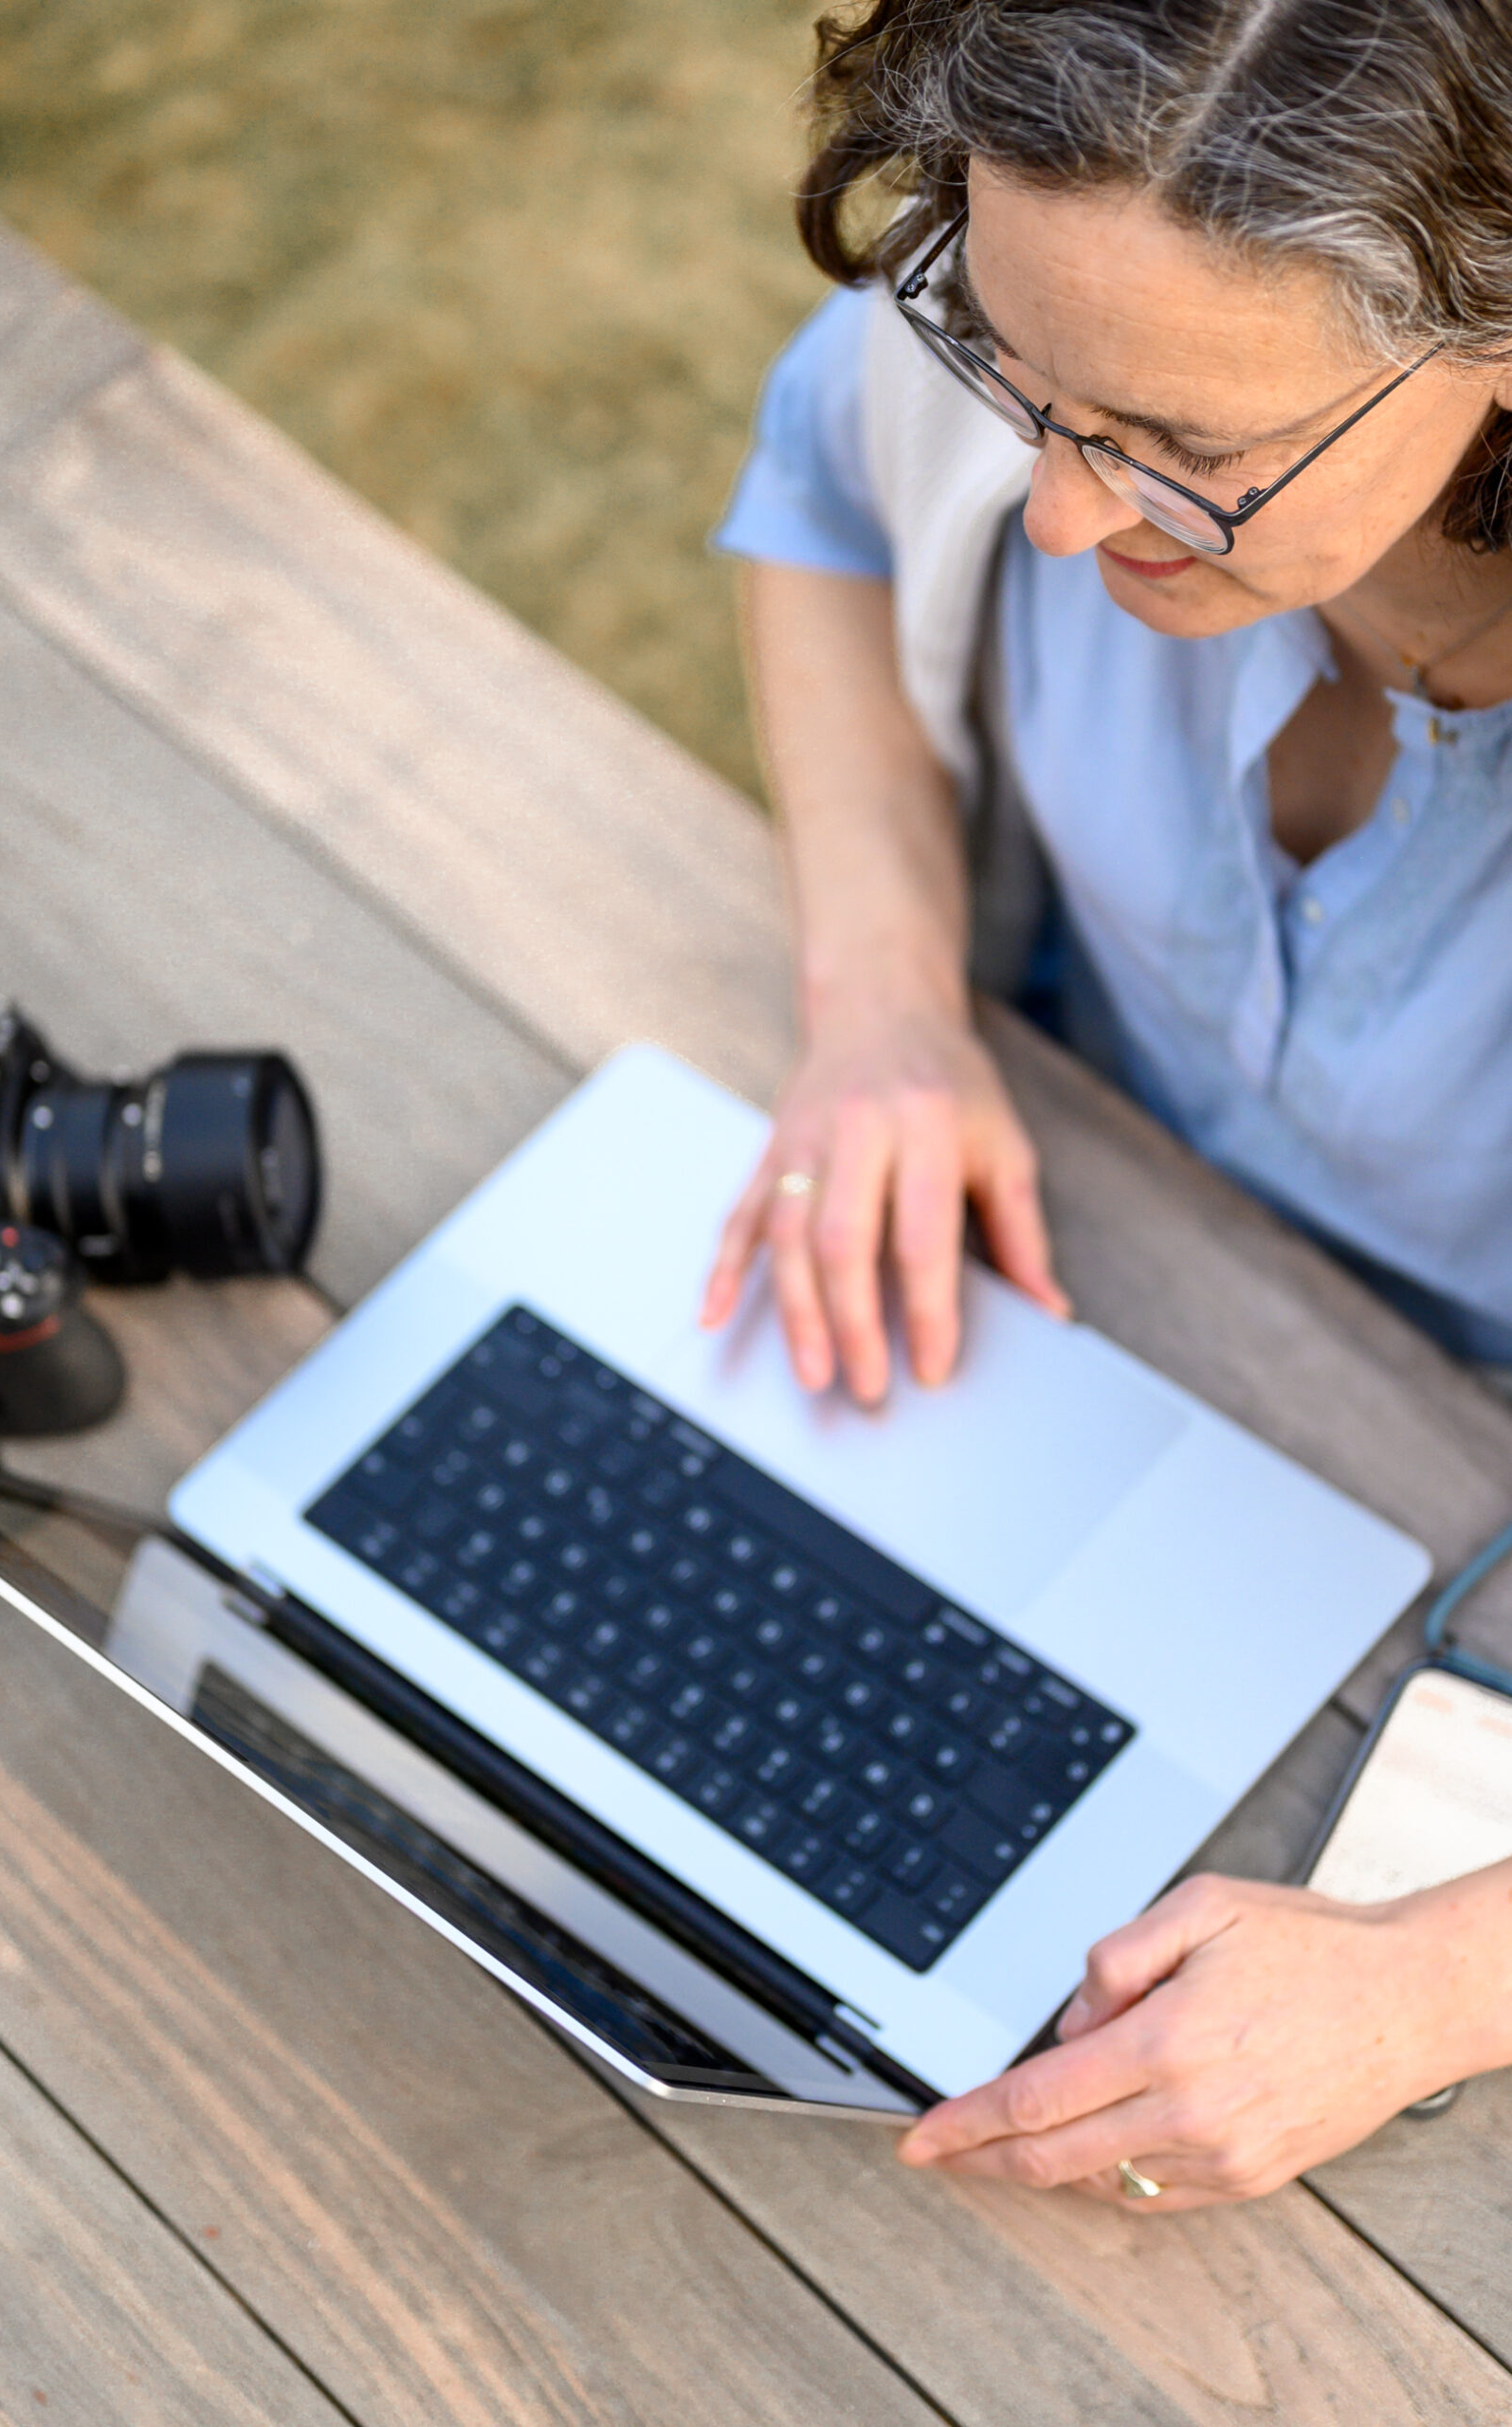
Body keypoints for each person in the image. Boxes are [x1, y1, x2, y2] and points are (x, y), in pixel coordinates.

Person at [701, 0, 1512, 2208]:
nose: (1057, 513)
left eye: (1171, 442)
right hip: (1072, 1285)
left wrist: (1437, 1983)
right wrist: (881, 993)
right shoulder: (1067, 333)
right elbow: (823, 483)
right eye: (1018, 377)